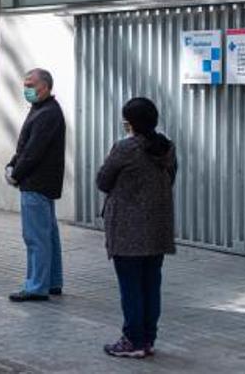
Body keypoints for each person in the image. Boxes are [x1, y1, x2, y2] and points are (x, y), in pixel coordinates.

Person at [95, 97, 178, 359]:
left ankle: (133, 340)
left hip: (128, 232)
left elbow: (103, 180)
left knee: (131, 287)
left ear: (129, 123)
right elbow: (170, 178)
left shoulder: (125, 148)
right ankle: (148, 338)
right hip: (157, 229)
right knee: (151, 285)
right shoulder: (166, 147)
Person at [4, 68, 65, 302]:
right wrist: (13, 163)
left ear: (45, 86)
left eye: (31, 84)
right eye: (25, 84)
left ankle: (36, 286)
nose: (26, 89)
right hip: (42, 182)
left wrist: (16, 174)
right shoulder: (42, 109)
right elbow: (25, 147)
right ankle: (52, 281)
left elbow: (32, 152)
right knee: (47, 235)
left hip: (36, 182)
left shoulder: (46, 113)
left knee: (35, 238)